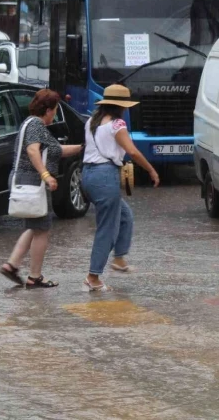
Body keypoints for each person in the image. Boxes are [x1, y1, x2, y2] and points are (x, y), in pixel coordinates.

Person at [0, 89, 84, 288]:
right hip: (34, 182)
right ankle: (34, 276)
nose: (55, 114)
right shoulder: (36, 124)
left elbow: (58, 150)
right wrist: (45, 175)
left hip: (28, 180)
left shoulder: (33, 124)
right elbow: (32, 150)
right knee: (42, 228)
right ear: (47, 109)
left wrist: (83, 148)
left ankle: (12, 265)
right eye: (55, 110)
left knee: (35, 226)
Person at [81, 84, 160, 292]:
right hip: (105, 176)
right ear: (121, 107)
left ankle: (119, 259)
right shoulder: (117, 124)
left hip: (88, 176)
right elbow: (132, 152)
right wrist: (151, 170)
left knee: (125, 216)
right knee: (107, 229)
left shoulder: (91, 121)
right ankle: (93, 276)